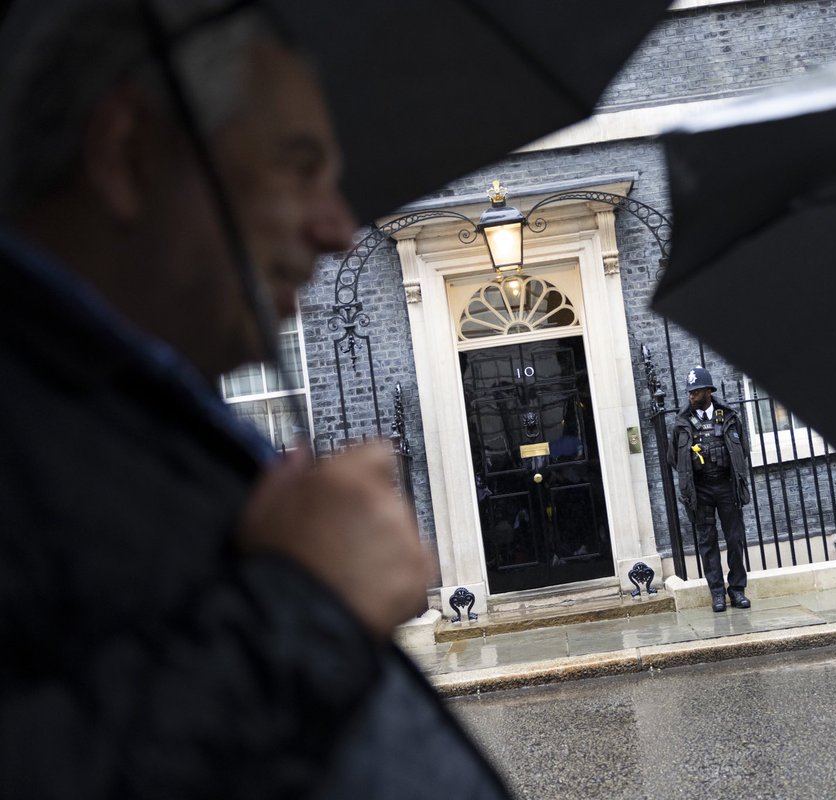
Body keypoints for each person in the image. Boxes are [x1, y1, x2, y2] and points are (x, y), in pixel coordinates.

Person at [0, 1, 509, 797]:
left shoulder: (119, 405)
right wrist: (304, 606)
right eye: (298, 167)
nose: (339, 230)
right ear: (128, 153)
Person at [667, 366, 752, 612]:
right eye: (689, 392)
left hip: (726, 486)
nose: (691, 396)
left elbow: (743, 449)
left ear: (708, 391)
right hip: (701, 489)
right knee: (707, 542)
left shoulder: (729, 416)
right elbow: (673, 458)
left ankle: (737, 590)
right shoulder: (682, 423)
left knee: (735, 539)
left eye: (695, 391)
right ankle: (717, 593)